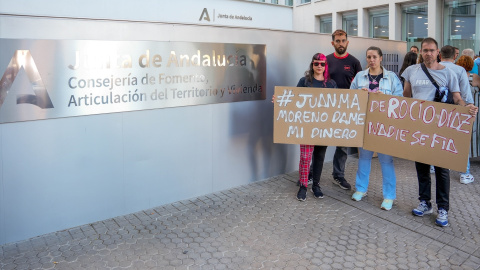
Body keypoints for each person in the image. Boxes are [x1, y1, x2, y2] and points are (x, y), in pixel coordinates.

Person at [402, 37, 478, 227]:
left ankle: (442, 208)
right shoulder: (411, 71)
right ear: (420, 51)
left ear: (437, 52)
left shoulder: (449, 73)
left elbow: (457, 97)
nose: (428, 53)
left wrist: (466, 108)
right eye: (425, 50)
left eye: (431, 50)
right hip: (420, 129)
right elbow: (406, 98)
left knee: (442, 170)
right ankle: (425, 202)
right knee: (422, 167)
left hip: (441, 130)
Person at [272, 53, 336, 201]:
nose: (319, 66)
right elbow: (294, 99)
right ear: (312, 65)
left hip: (323, 127)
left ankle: (316, 186)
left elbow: (337, 104)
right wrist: (280, 99)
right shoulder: (305, 81)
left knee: (319, 157)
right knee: (305, 157)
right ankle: (303, 185)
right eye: (316, 63)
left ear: (326, 66)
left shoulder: (331, 84)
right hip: (306, 126)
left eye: (322, 64)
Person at [349, 46, 403, 211]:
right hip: (365, 125)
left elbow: (400, 100)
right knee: (364, 158)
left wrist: (384, 98)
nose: (371, 60)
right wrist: (360, 95)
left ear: (381, 58)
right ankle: (361, 189)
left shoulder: (391, 77)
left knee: (386, 160)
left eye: (374, 57)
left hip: (384, 126)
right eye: (368, 57)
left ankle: (389, 196)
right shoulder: (359, 77)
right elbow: (350, 98)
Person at [326, 29, 362, 190]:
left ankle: (338, 175)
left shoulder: (354, 62)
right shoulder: (325, 61)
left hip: (346, 111)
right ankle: (311, 174)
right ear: (332, 43)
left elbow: (361, 86)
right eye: (338, 41)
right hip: (326, 108)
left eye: (343, 40)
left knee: (342, 145)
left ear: (347, 42)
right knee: (320, 142)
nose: (341, 44)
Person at [439, 46, 475, 184]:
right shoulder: (459, 70)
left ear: (439, 55)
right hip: (457, 109)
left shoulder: (434, 68)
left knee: (438, 137)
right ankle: (464, 173)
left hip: (438, 110)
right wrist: (469, 107)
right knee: (460, 140)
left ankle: (436, 166)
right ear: (455, 56)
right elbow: (465, 92)